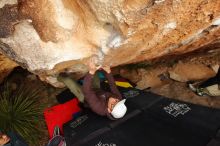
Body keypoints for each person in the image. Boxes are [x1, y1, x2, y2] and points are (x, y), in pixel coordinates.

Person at [58, 57, 127, 120]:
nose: (114, 100)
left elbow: (87, 91)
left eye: (113, 104)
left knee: (68, 80)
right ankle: (84, 73)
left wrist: (91, 72)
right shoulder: (118, 98)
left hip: (85, 97)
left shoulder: (99, 109)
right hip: (97, 90)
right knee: (95, 72)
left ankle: (57, 77)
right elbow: (113, 85)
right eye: (117, 101)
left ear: (109, 110)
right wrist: (108, 72)